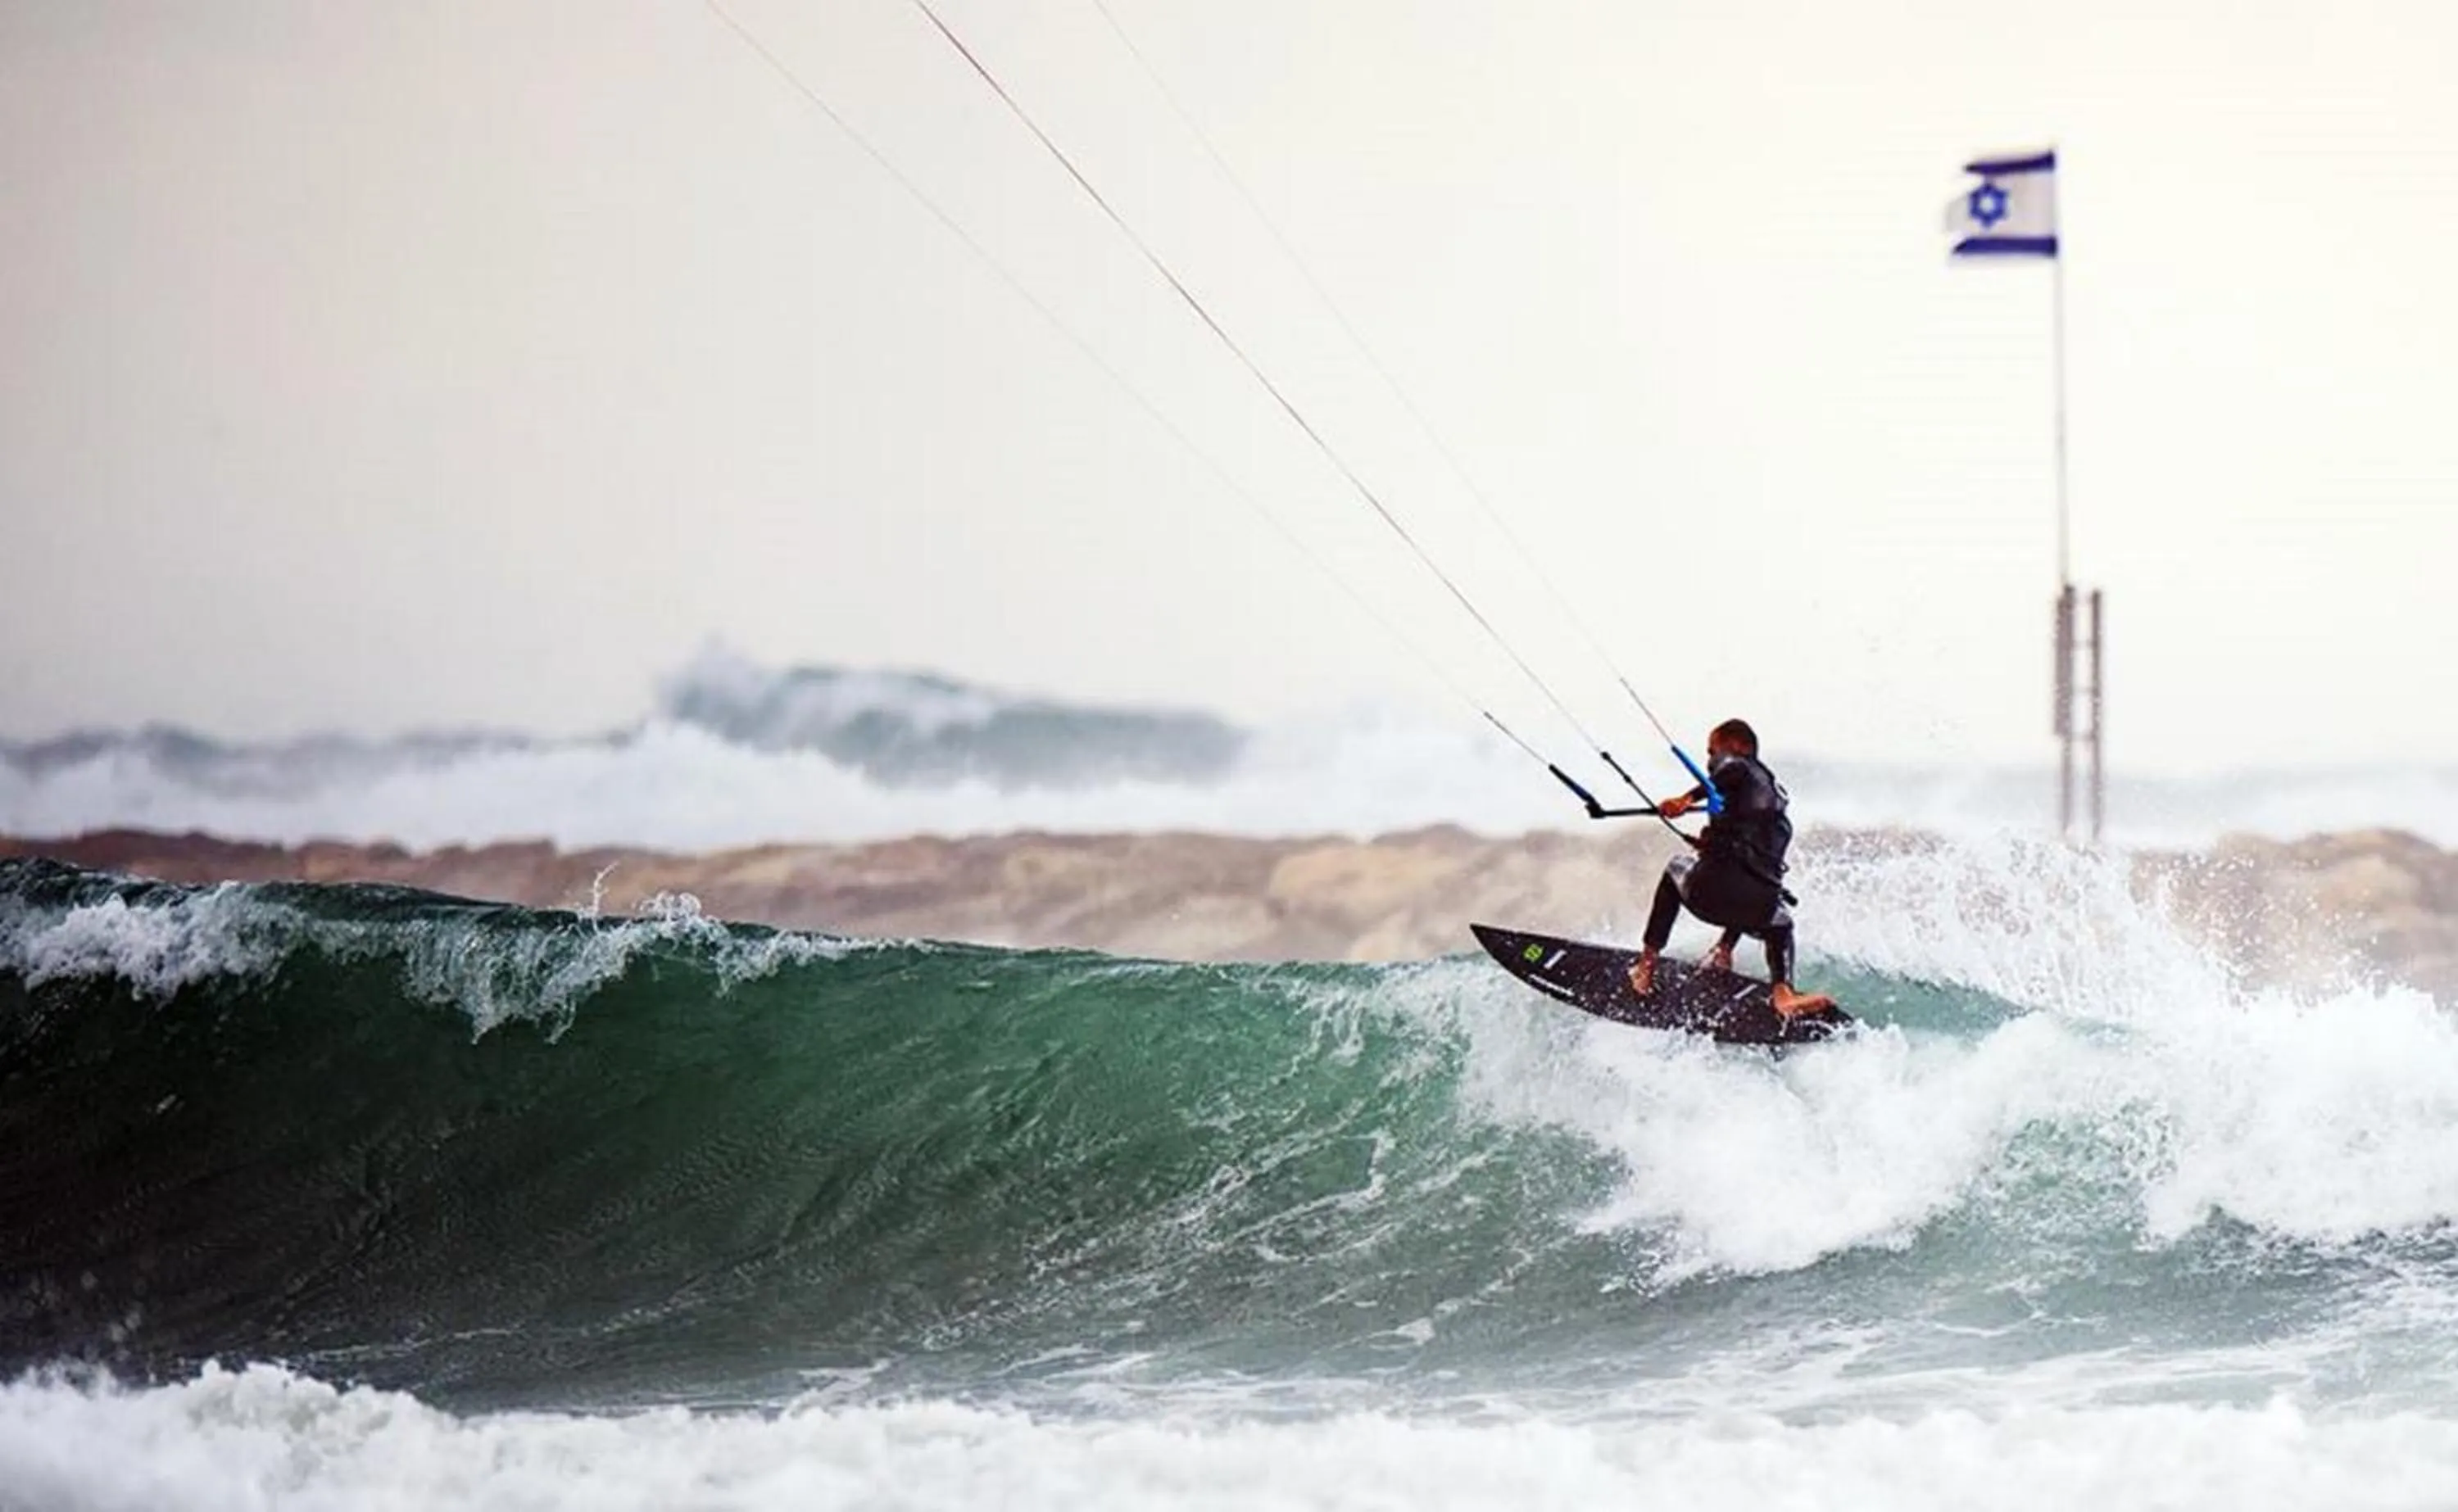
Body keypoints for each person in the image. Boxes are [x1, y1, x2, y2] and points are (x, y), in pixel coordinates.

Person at [1626, 718, 1834, 1017]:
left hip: (1711, 896)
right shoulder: (1774, 800)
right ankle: (1778, 991)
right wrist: (1711, 844)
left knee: (1676, 867)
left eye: (1712, 751)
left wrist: (1685, 799)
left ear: (1737, 746)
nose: (1710, 760)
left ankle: (1645, 967)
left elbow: (1729, 771)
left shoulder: (1738, 766)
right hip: (1757, 911)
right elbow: (1749, 859)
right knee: (1781, 921)